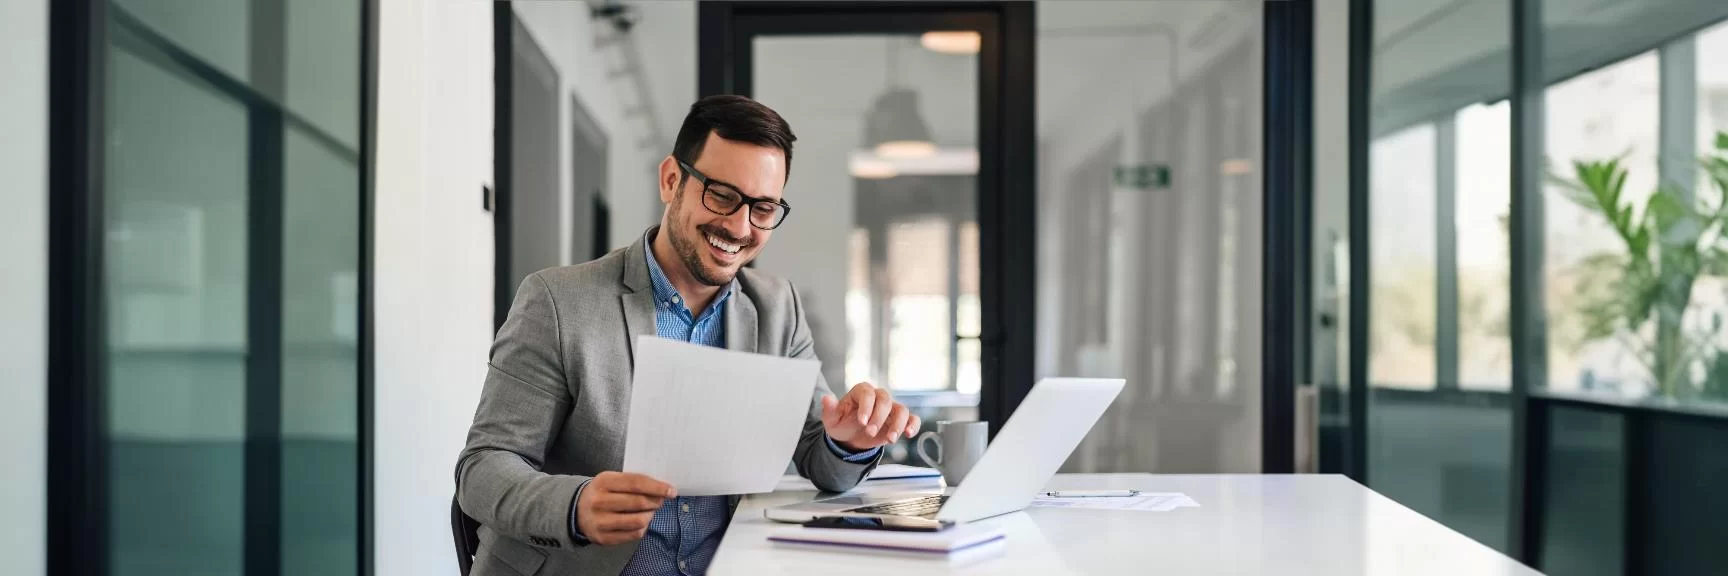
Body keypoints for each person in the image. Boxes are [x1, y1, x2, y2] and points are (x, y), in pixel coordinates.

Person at [456, 95, 919, 576]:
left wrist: (847, 441)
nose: (739, 227)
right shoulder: (557, 302)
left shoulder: (778, 309)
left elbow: (821, 463)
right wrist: (576, 505)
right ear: (671, 180)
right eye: (721, 195)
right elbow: (483, 468)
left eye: (762, 208)